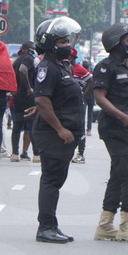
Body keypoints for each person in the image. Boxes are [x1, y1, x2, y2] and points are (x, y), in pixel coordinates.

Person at [92, 23, 128, 242]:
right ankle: (126, 225)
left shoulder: (125, 67)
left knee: (117, 176)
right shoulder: (106, 67)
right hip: (116, 128)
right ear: (116, 44)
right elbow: (100, 97)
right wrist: (122, 116)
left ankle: (105, 225)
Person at [32, 18, 84, 243]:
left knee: (56, 180)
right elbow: (43, 100)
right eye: (63, 42)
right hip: (53, 134)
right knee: (51, 180)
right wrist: (60, 129)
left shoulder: (60, 66)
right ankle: (45, 228)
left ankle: (52, 224)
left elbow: (53, 98)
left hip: (63, 134)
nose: (68, 46)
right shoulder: (47, 68)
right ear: (52, 45)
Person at [11, 41, 39, 163]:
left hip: (17, 96)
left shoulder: (16, 60)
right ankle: (36, 155)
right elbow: (23, 70)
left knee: (17, 126)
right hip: (27, 96)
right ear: (28, 49)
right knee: (32, 125)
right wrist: (29, 87)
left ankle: (15, 153)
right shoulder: (28, 58)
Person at [70, 49, 93, 164]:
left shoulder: (80, 69)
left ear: (73, 58)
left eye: (69, 57)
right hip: (67, 103)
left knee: (80, 127)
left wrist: (83, 95)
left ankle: (80, 153)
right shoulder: (65, 68)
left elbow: (92, 82)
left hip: (78, 104)